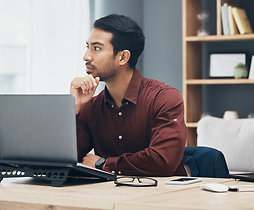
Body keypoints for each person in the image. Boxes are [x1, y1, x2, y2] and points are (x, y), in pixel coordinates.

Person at [70, 14, 187, 176]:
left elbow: (162, 161)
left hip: (164, 196)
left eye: (96, 48)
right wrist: (73, 108)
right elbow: (65, 159)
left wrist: (102, 163)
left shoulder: (164, 98)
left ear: (123, 57)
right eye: (87, 47)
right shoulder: (90, 107)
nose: (86, 56)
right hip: (110, 197)